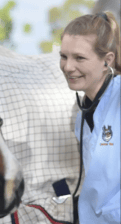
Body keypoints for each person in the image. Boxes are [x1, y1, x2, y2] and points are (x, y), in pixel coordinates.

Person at [60, 12, 121, 224]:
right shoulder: (81, 116)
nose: (68, 67)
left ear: (107, 61)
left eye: (79, 58)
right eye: (64, 56)